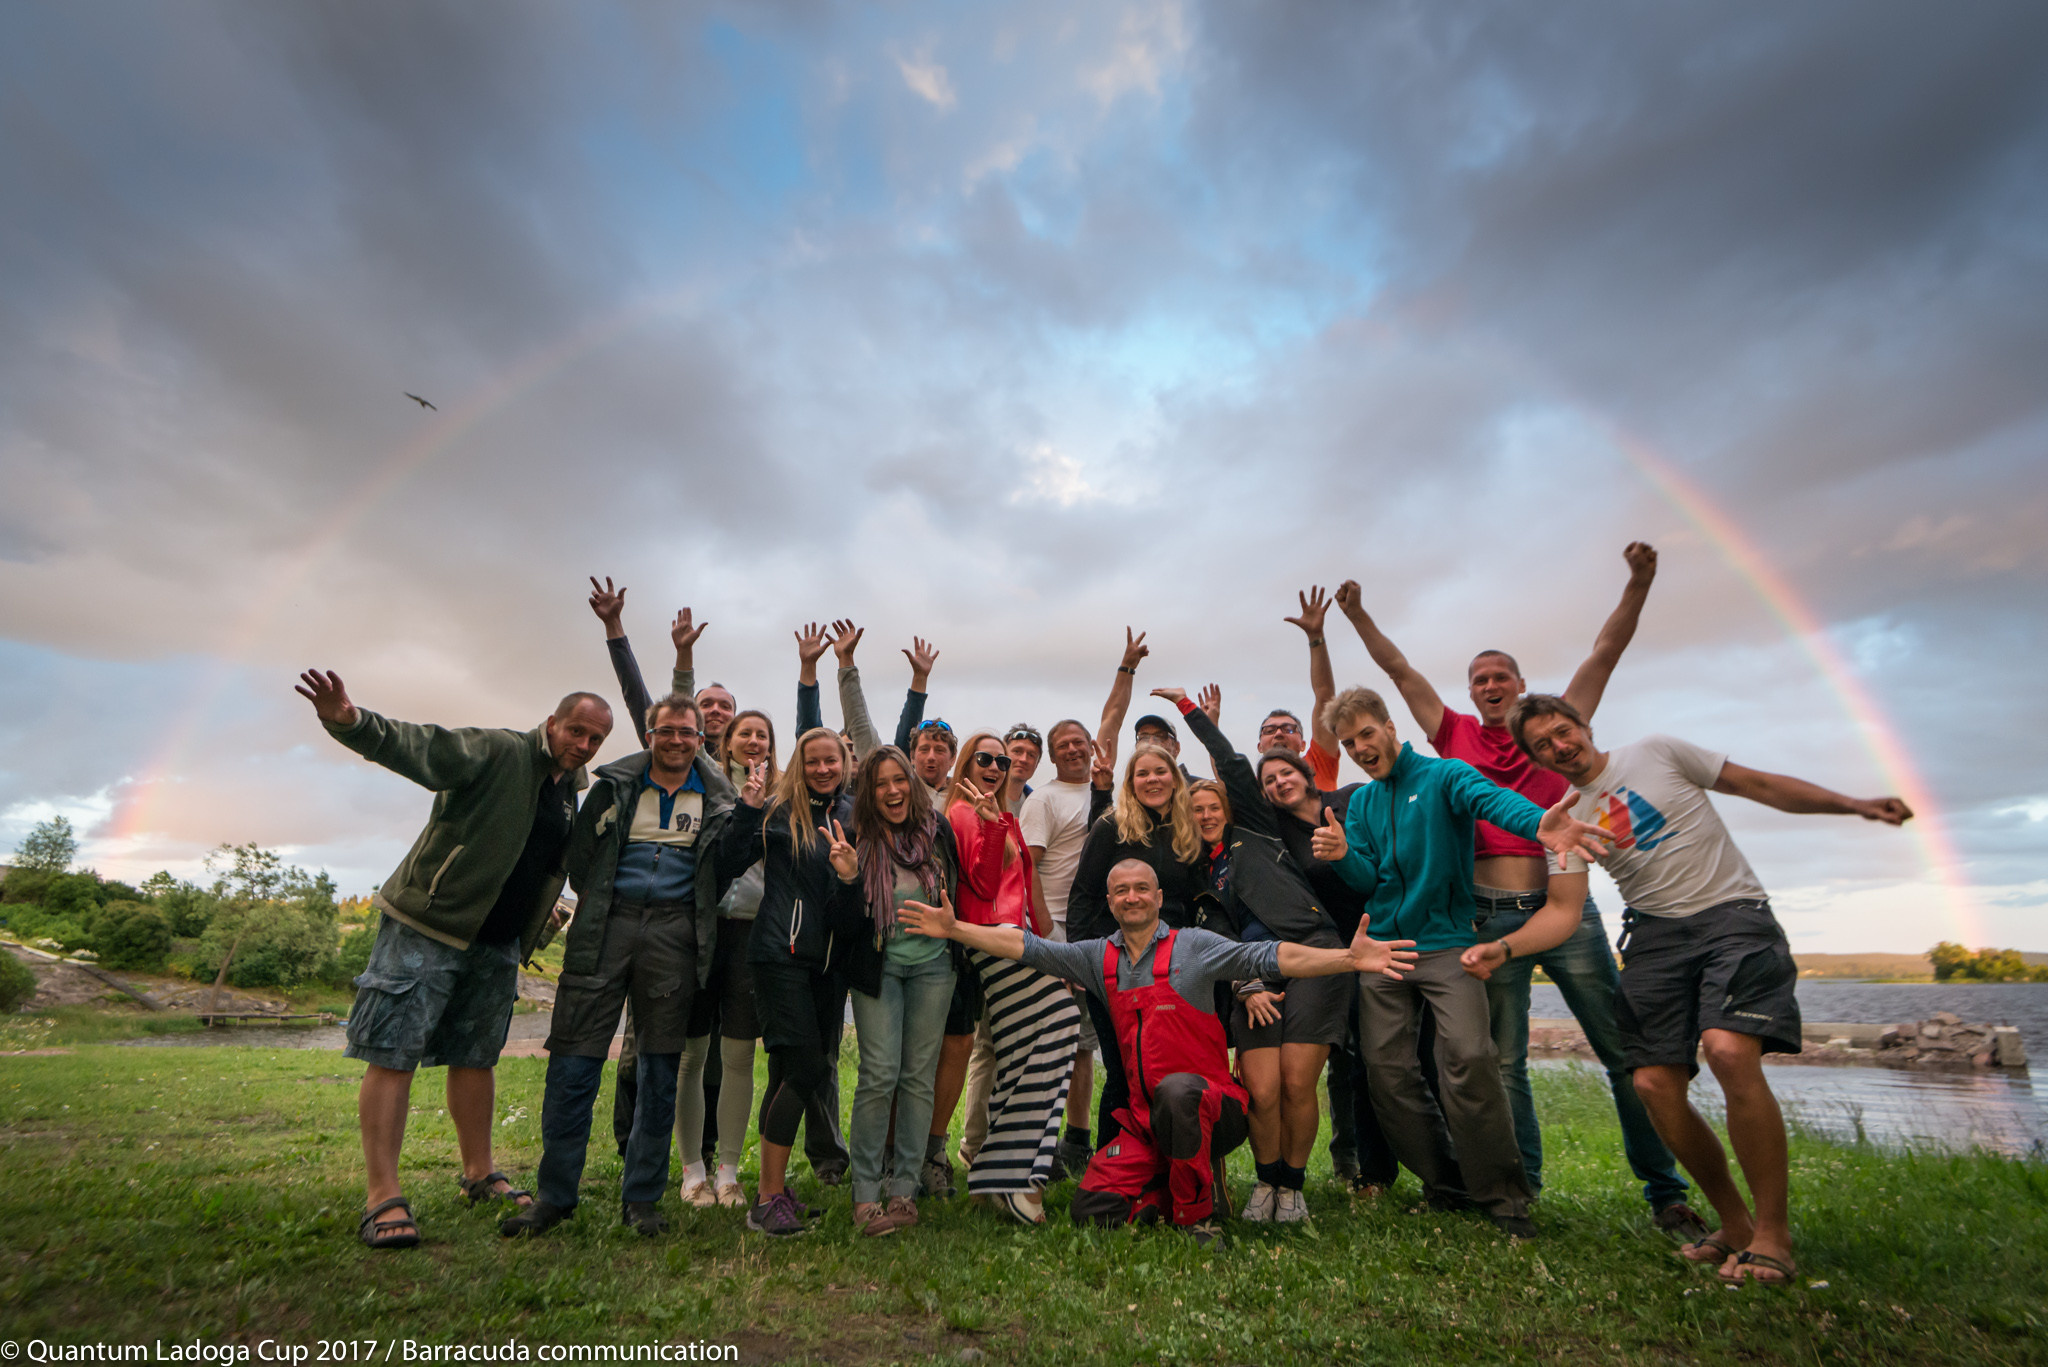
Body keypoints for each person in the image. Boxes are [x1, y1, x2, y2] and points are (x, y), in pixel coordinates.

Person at [1333, 546, 1702, 1232]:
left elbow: (1605, 651)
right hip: (1484, 919)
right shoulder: (1453, 735)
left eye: (1502, 674)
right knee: (1500, 1064)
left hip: (1566, 908)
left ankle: (1666, 1192)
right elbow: (1397, 669)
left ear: (1522, 683)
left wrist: (1639, 581)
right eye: (1480, 677)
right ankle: (1516, 1189)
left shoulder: (1548, 727)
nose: (1491, 683)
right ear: (1470, 691)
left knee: (1625, 1054)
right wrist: (1356, 614)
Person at [1508, 693, 1911, 1283]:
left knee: (1727, 1050)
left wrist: (1852, 803)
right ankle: (1736, 1224)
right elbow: (1564, 912)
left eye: (1563, 731)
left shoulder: (1658, 752)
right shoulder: (1566, 818)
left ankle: (1774, 1235)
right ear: (1536, 758)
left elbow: (1759, 785)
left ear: (1584, 725)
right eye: (1543, 745)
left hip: (1732, 916)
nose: (1559, 747)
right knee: (1651, 1082)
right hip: (1653, 937)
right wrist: (1502, 948)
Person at [900, 860, 1420, 1246]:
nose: (1131, 897)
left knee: (1179, 1091)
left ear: (1157, 896)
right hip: (1147, 1121)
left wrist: (1347, 959)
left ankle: (1199, 1218)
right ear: (1110, 901)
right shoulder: (1095, 957)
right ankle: (1177, 1188)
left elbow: (1266, 954)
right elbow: (1031, 948)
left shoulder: (1194, 945)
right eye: (1121, 890)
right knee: (1093, 1211)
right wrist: (953, 929)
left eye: (1141, 889)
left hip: (1216, 1108)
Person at [295, 669, 610, 1250]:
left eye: (595, 739)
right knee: (394, 1053)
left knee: (475, 1056)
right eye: (576, 731)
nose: (584, 745)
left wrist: (543, 918)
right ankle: (382, 1196)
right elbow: (422, 748)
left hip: (497, 944)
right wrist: (350, 721)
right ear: (552, 722)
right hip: (427, 925)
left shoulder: (570, 791)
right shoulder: (499, 751)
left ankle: (478, 1172)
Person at [1312, 685, 1611, 1238]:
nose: (1360, 749)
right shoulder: (1361, 804)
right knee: (1387, 1073)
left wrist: (1539, 824)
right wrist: (1343, 856)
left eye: (1367, 735)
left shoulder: (1444, 776)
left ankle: (1504, 1198)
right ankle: (1447, 1182)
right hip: (1386, 953)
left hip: (1448, 943)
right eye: (1350, 744)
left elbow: (1490, 799)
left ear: (1389, 726)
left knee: (1472, 1057)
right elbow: (1367, 881)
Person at [502, 695, 736, 1238]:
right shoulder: (612, 786)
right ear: (649, 734)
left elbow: (720, 870)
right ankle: (555, 1196)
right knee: (573, 1062)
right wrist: (610, 902)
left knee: (657, 1070)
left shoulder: (718, 799)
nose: (676, 740)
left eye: (687, 732)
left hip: (676, 935)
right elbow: (580, 859)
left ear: (701, 741)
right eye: (666, 730)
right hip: (604, 926)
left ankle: (642, 1199)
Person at [1155, 687, 1349, 1224]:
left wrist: (1193, 715)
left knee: (1295, 1082)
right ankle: (1265, 1181)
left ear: (1227, 809)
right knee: (1261, 1089)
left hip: (1314, 951)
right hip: (1251, 976)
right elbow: (1214, 940)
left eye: (1213, 805)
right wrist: (1246, 984)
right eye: (1195, 810)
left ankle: (1292, 1186)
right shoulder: (1196, 876)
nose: (1206, 813)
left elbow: (1238, 767)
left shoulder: (1257, 831)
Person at [717, 726, 860, 1236]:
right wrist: (748, 811)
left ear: (845, 764)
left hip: (827, 966)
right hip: (780, 954)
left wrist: (849, 876)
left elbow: (850, 905)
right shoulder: (777, 811)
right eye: (813, 761)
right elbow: (727, 864)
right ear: (799, 765)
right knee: (803, 1068)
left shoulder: (852, 816)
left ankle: (771, 1192)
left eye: (832, 761)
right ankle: (767, 1200)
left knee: (789, 1074)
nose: (823, 769)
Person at [1254, 744, 1414, 1196]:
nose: (1279, 783)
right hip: (1332, 953)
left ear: (1306, 773)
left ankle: (1394, 1165)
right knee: (1351, 1063)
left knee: (1385, 1059)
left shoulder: (1352, 800)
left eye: (1285, 773)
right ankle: (1368, 1170)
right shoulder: (1279, 831)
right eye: (1269, 780)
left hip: (1384, 937)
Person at [945, 732, 1082, 1224]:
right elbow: (980, 883)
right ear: (968, 762)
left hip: (1022, 938)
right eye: (986, 758)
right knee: (1058, 1023)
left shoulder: (1003, 816)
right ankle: (1016, 1171)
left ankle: (993, 1172)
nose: (997, 766)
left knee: (1035, 1040)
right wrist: (991, 826)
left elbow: (1030, 889)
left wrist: (1056, 955)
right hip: (988, 940)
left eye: (1002, 761)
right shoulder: (961, 814)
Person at [839, 746, 962, 1236]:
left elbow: (960, 894)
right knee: (879, 1074)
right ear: (868, 792)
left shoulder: (938, 831)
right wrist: (848, 878)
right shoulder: (857, 836)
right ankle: (866, 1193)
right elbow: (842, 919)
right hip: (880, 968)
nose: (893, 791)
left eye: (899, 780)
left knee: (917, 1077)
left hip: (934, 969)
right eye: (881, 783)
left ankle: (904, 1189)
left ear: (912, 783)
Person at [1065, 742, 1205, 1147]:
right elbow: (1084, 895)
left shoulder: (1186, 829)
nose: (1152, 780)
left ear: (1174, 778)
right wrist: (1081, 962)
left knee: (1165, 1067)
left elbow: (1195, 900)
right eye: (1142, 774)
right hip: (1115, 962)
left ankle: (1167, 1158)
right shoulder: (1112, 826)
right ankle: (1112, 1165)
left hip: (1173, 965)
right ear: (1130, 782)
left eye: (1160, 771)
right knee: (1124, 1067)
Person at [677, 707, 775, 1209]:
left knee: (739, 1055)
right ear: (728, 743)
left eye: (762, 734)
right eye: (745, 734)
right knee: (692, 1054)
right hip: (704, 928)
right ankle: (692, 1170)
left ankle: (729, 1172)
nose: (754, 741)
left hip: (752, 934)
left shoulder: (783, 798)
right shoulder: (706, 788)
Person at [1017, 719, 1102, 1182]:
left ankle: (1077, 1140)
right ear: (1052, 756)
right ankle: (1037, 1144)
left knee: (1083, 1045)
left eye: (1078, 741)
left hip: (1093, 933)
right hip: (1054, 930)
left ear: (1092, 747)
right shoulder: (1044, 798)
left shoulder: (1107, 792)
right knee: (1047, 1040)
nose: (1072, 749)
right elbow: (1028, 866)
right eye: (1062, 744)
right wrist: (1050, 938)